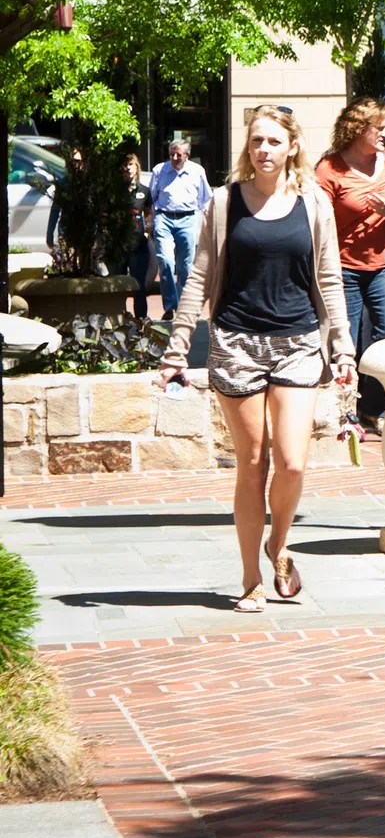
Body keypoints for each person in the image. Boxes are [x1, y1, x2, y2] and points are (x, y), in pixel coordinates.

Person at [160, 106, 355, 612]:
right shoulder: (223, 205)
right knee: (252, 463)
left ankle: (278, 542)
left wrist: (342, 349)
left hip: (298, 342)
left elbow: (329, 281)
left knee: (291, 462)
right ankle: (250, 578)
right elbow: (198, 278)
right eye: (256, 141)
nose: (262, 149)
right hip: (237, 343)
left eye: (272, 141)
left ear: (292, 146)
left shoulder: (314, 203)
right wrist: (178, 345)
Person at [315, 101, 385, 430]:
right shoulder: (329, 169)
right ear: (358, 129)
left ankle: (376, 408)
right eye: (379, 128)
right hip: (343, 268)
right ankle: (344, 410)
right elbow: (319, 222)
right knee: (346, 341)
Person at [147, 134, 212, 316]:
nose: (175, 158)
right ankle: (170, 306)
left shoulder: (197, 171)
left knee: (185, 266)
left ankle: (183, 305)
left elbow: (206, 199)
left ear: (187, 155)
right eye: (172, 154)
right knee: (166, 261)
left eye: (179, 155)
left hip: (188, 219)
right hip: (164, 218)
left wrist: (206, 223)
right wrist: (152, 221)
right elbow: (152, 197)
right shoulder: (159, 170)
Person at [119, 145, 152, 313]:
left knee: (139, 286)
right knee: (119, 287)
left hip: (139, 245)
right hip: (119, 245)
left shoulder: (144, 191)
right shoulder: (116, 192)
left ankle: (141, 325)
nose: (127, 168)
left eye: (130, 164)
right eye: (124, 165)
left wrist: (147, 230)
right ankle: (119, 323)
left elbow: (148, 213)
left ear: (136, 167)